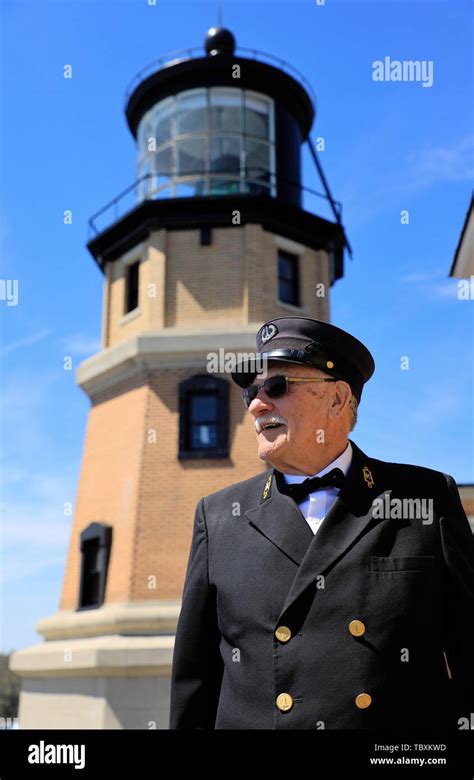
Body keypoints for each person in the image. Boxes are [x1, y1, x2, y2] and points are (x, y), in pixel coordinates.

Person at [169, 316, 474, 730]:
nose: (258, 404)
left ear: (337, 399)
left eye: (277, 386)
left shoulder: (425, 496)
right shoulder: (219, 516)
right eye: (251, 392)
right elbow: (195, 683)